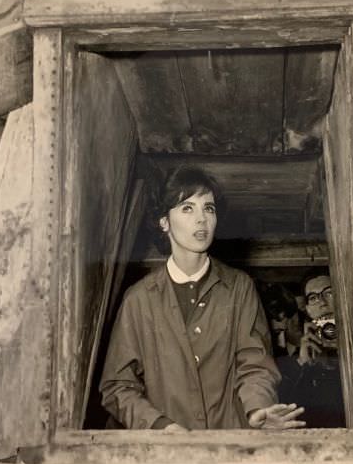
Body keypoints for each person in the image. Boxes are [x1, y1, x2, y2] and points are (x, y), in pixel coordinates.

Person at [100, 165, 305, 431]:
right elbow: (117, 386)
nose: (202, 219)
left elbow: (255, 365)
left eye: (209, 208)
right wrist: (159, 425)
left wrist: (258, 410)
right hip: (167, 456)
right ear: (164, 222)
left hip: (232, 448)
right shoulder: (138, 300)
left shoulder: (238, 287)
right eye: (187, 208)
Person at [274, 273, 346, 428]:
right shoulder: (290, 364)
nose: (322, 303)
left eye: (329, 293)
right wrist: (302, 364)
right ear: (306, 309)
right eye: (313, 298)